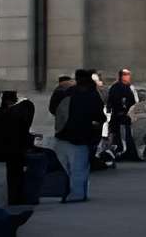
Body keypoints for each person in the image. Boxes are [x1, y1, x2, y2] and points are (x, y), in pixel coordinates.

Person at [54, 69, 105, 203]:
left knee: (69, 168)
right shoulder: (93, 95)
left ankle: (72, 193)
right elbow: (100, 116)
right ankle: (77, 194)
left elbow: (55, 109)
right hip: (82, 137)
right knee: (79, 168)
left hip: (64, 135)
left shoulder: (68, 92)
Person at [106, 68, 139, 161]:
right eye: (126, 74)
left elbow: (133, 102)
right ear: (121, 76)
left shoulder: (129, 87)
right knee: (121, 136)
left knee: (126, 135)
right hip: (120, 117)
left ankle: (128, 153)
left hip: (127, 116)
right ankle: (121, 152)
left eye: (128, 74)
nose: (128, 76)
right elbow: (112, 101)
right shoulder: (116, 87)